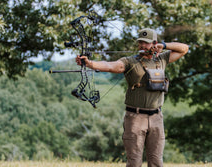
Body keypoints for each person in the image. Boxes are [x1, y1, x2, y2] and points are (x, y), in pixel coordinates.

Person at [76, 28, 189, 167]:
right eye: (140, 42)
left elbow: (184, 49)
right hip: (135, 118)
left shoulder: (162, 59)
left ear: (154, 43)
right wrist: (90, 63)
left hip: (156, 118)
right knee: (134, 162)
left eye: (146, 43)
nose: (142, 45)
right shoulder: (130, 62)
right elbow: (110, 66)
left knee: (156, 162)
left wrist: (164, 46)